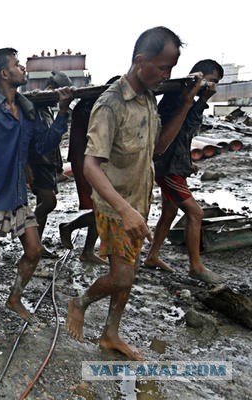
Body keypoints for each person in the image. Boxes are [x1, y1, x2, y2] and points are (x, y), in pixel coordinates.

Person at [66, 26, 204, 361]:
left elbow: (158, 148)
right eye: (161, 67)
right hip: (115, 206)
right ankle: (79, 302)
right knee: (122, 274)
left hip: (138, 202)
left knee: (128, 272)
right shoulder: (110, 103)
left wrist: (186, 104)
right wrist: (125, 210)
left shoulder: (147, 101)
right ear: (140, 61)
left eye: (170, 69)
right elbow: (90, 167)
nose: (166, 75)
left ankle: (110, 333)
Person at [0, 48, 73, 332]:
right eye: (17, 65)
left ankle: (14, 298)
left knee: (34, 251)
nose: (23, 68)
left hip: (17, 195)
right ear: (4, 74)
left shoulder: (26, 109)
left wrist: (63, 113)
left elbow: (42, 146)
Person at [144, 60, 225, 284]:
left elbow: (186, 132)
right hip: (168, 167)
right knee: (195, 213)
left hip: (176, 165)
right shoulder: (177, 93)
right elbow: (169, 131)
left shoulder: (190, 96)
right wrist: (193, 98)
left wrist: (187, 161)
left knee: (169, 212)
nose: (213, 86)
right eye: (213, 81)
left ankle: (152, 256)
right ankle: (195, 266)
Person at [59, 76, 121, 264]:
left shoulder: (94, 105)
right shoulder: (95, 107)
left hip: (91, 160)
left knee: (100, 207)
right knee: (100, 208)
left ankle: (87, 250)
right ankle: (70, 228)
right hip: (85, 161)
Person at [27, 71, 74, 258]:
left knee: (43, 204)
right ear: (50, 90)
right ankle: (28, 235)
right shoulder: (36, 108)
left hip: (46, 165)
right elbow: (44, 145)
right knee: (48, 202)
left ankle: (36, 246)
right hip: (39, 164)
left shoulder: (44, 108)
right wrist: (62, 113)